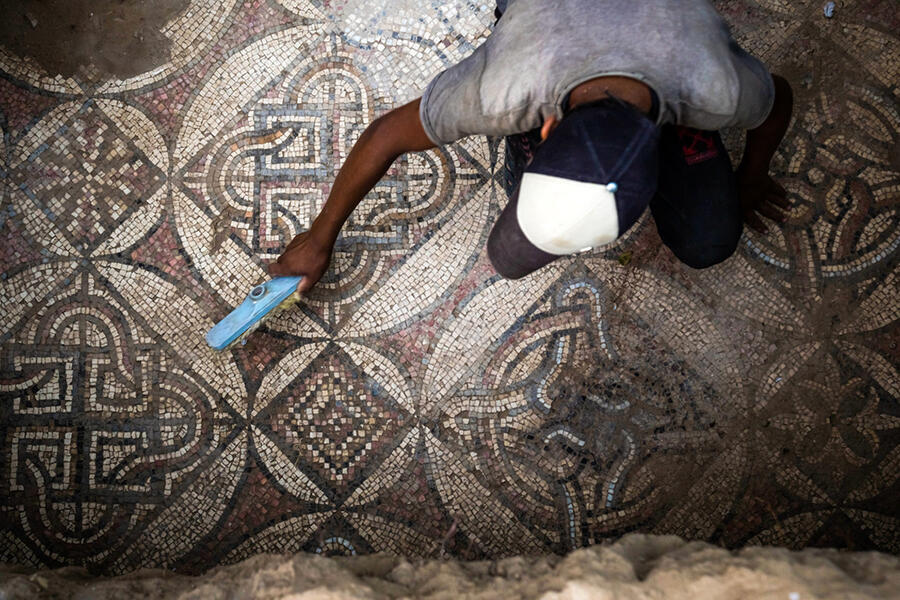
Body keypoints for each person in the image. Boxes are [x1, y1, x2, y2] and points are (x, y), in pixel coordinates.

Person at [268, 0, 793, 288]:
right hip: (546, 22)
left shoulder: (716, 87)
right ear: (544, 126)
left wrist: (753, 177)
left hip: (665, 31)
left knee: (710, 240)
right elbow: (385, 136)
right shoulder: (502, 87)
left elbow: (779, 101)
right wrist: (319, 236)